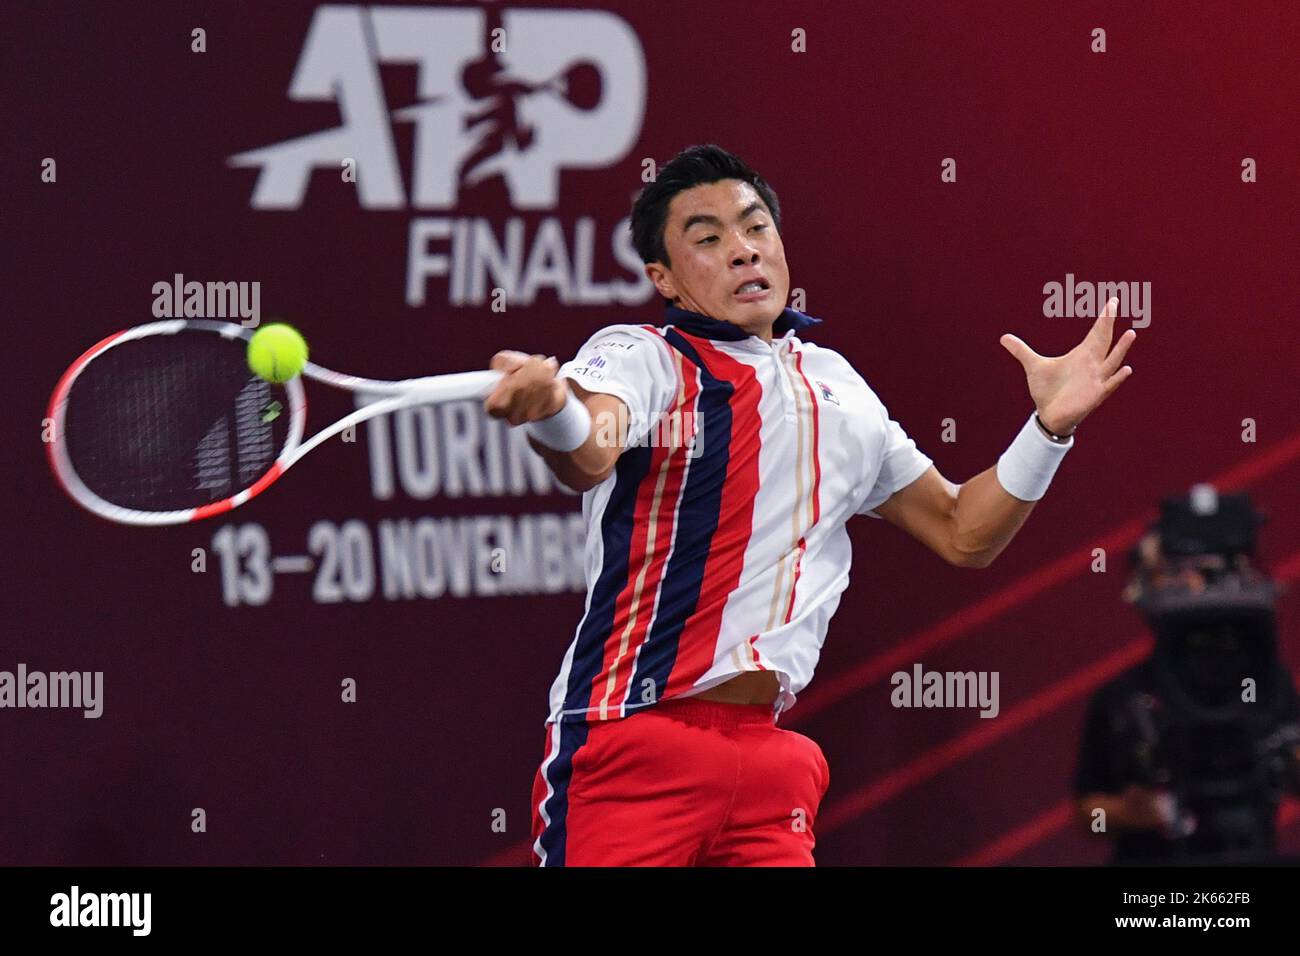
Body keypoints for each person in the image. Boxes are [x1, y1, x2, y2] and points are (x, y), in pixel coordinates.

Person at [483, 144, 1137, 866]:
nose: (741, 251)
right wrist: (553, 410)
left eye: (754, 227)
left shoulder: (838, 387)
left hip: (771, 768)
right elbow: (591, 448)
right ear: (662, 277)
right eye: (706, 238)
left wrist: (1049, 429)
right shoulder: (643, 357)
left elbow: (962, 531)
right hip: (632, 744)